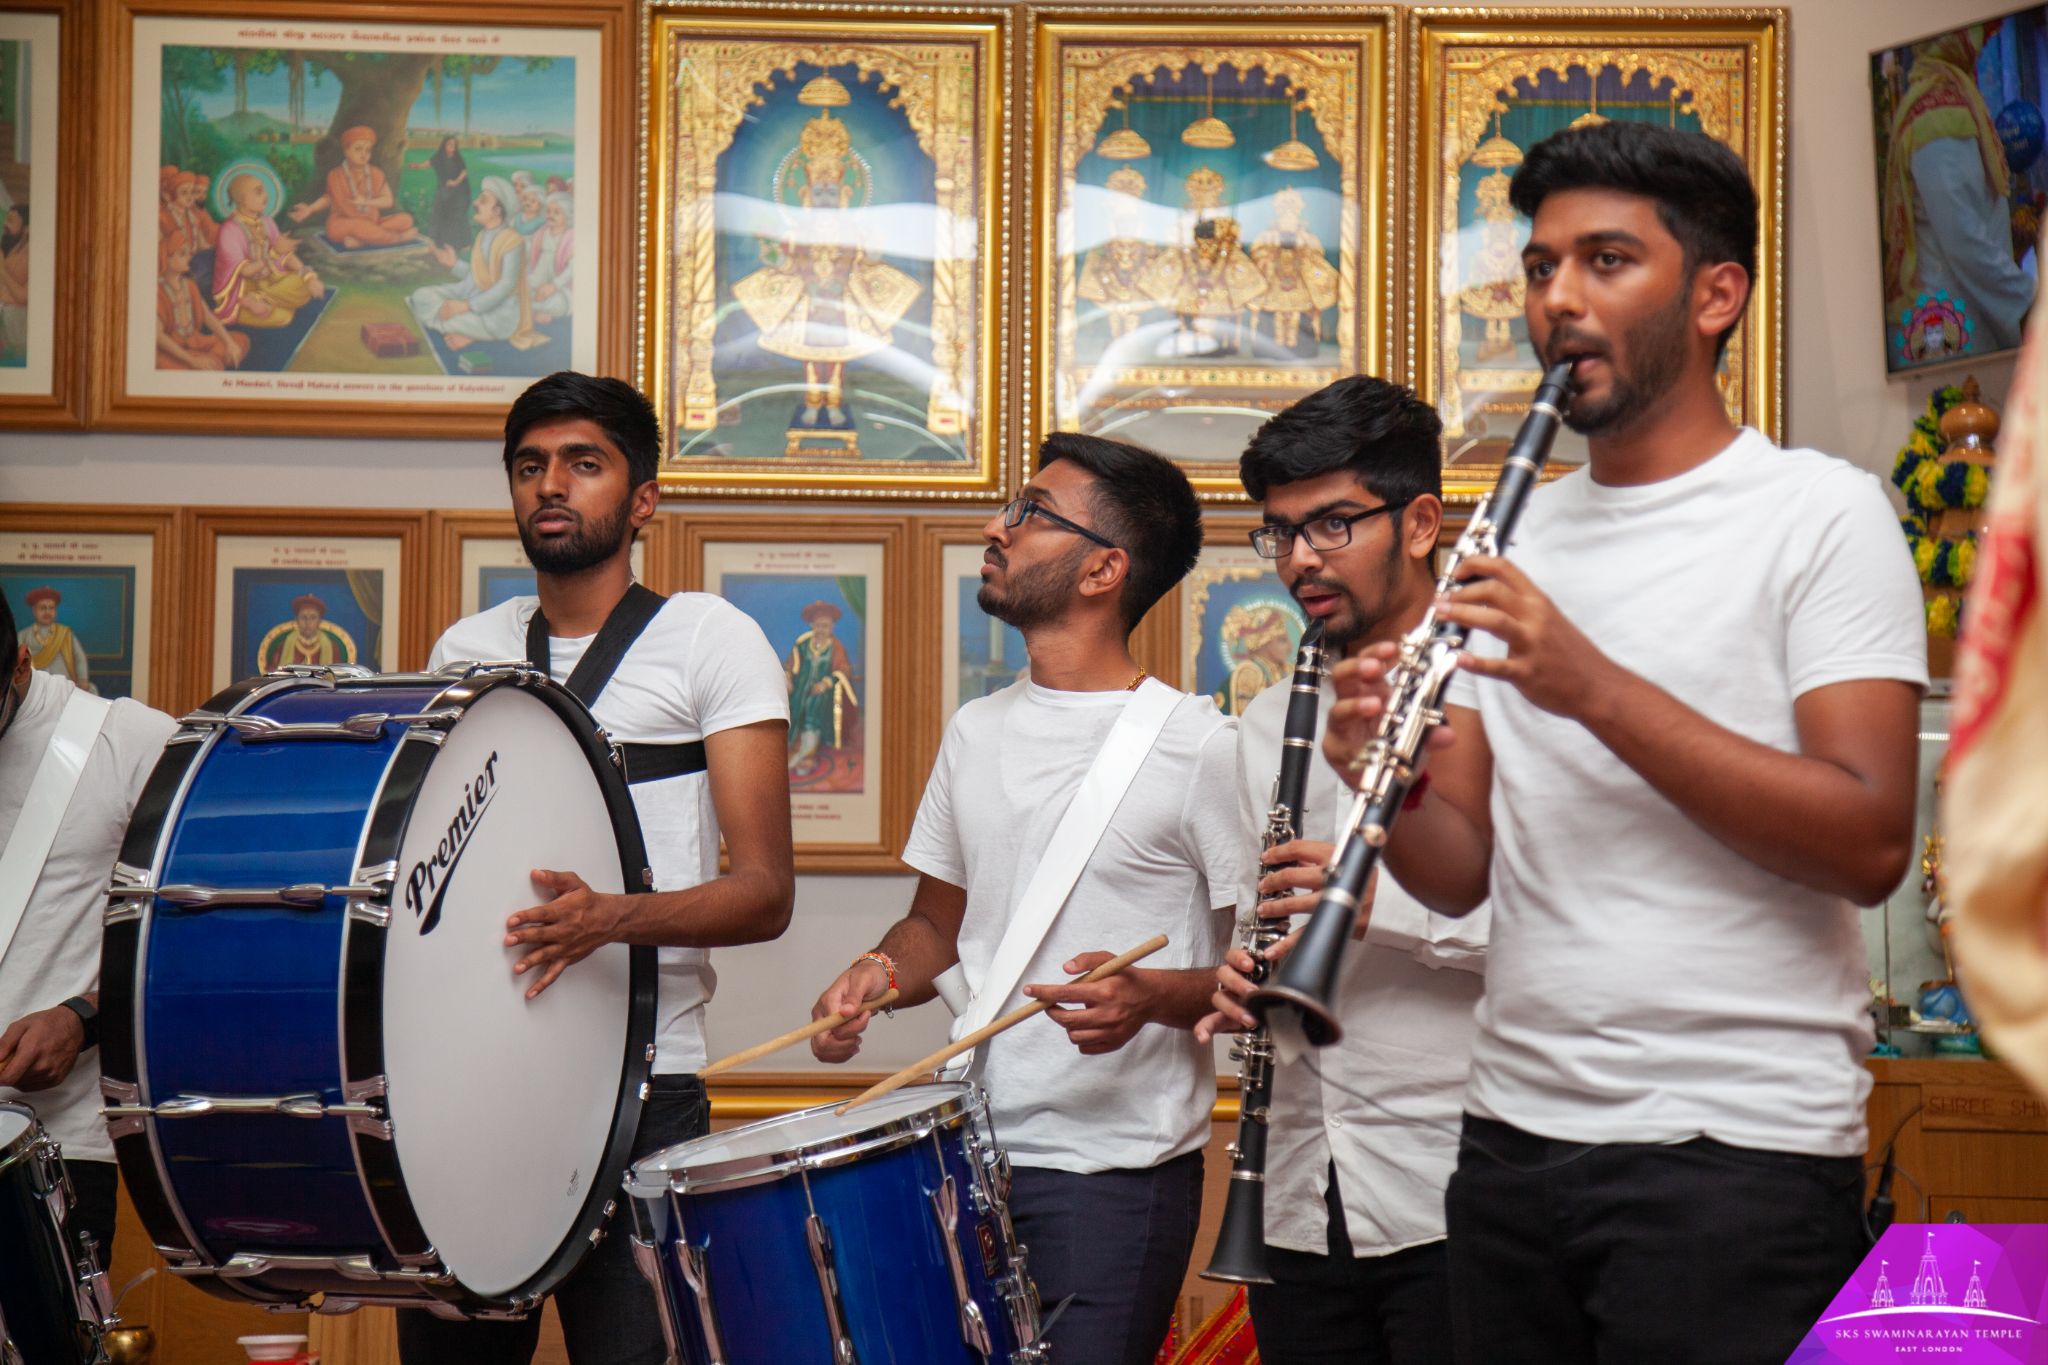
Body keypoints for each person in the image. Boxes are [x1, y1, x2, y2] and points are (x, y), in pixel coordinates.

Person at [1322, 122, 1926, 1364]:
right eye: (1540, 268)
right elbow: (1459, 870)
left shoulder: (1817, 515)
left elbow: (1867, 839)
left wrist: (1591, 686)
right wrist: (1385, 768)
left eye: (1605, 262)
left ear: (1715, 294)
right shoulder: (1515, 530)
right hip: (1504, 1143)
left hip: (1732, 1157)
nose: (1557, 301)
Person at [809, 433, 1243, 1365]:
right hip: (966, 1154)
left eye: (1028, 512)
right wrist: (876, 974)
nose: (994, 527)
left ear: (1104, 569)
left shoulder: (1199, 746)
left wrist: (1150, 997)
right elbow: (937, 924)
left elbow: (1266, 976)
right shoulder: (977, 729)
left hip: (1114, 1178)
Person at [400, 372, 795, 1365]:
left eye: (584, 464)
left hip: (647, 1088)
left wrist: (606, 920)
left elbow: (763, 894)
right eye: (529, 466)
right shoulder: (467, 649)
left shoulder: (711, 639)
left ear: (642, 498)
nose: (551, 486)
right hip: (471, 1084)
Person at [1197, 376, 1487, 1365]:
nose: (1297, 560)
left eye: (1328, 525)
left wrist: (1377, 908)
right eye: (1278, 533)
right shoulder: (1260, 720)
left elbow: (1571, 931)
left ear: (1418, 523)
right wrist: (1242, 977)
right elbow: (1257, 924)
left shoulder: (1503, 688)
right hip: (1292, 1184)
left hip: (1451, 1179)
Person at [0, 588, 178, 1261]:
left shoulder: (130, 740)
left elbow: (193, 940)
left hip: (49, 1150)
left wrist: (84, 1017)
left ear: (21, 666)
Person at [1881, 22, 2035, 353]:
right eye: (1977, 33)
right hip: (1953, 323)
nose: (1981, 41)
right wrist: (2029, 304)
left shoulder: (1942, 97)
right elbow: (1963, 238)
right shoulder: (1938, 113)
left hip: (1960, 310)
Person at [407, 176, 543, 352]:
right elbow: (476, 279)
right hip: (474, 298)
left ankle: (469, 333)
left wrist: (465, 306)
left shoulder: (512, 240)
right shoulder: (482, 236)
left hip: (500, 313)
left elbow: (506, 285)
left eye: (483, 200)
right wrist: (454, 264)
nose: (476, 203)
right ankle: (464, 328)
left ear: (497, 211)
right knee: (421, 295)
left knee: (450, 317)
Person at [213, 173, 325, 330]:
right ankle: (256, 301)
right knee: (284, 317)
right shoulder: (230, 230)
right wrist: (272, 254)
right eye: (258, 192)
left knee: (304, 287)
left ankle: (261, 299)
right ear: (241, 199)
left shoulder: (267, 221)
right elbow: (245, 271)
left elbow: (285, 255)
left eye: (264, 190)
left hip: (269, 282)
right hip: (243, 291)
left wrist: (309, 277)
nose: (265, 196)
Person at [288, 125, 420, 249]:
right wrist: (310, 209)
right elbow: (329, 198)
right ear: (346, 151)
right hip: (343, 223)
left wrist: (366, 202)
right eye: (358, 149)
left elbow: (388, 200)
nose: (364, 154)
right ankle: (399, 238)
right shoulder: (335, 175)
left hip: (372, 221)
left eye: (367, 150)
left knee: (406, 220)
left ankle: (362, 240)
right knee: (360, 226)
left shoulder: (376, 173)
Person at [155, 229, 248, 372]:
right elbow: (159, 337)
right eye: (182, 254)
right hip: (171, 350)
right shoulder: (158, 292)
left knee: (240, 340)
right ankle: (206, 363)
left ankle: (208, 362)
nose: (188, 258)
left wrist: (229, 343)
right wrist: (192, 360)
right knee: (172, 366)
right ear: (165, 259)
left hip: (196, 341)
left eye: (187, 253)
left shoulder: (189, 284)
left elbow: (207, 316)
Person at [784, 599, 857, 777]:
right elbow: (791, 666)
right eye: (818, 625)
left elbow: (844, 670)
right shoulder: (802, 643)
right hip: (801, 690)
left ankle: (808, 754)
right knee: (796, 707)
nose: (822, 629)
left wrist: (825, 683)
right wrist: (788, 679)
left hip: (825, 693)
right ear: (812, 625)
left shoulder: (836, 647)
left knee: (814, 707)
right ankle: (792, 751)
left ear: (832, 626)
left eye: (826, 626)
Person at [18, 586, 94, 691]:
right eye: (43, 608)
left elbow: (79, 658)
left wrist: (82, 679)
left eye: (51, 608)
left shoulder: (66, 634)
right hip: (34, 688)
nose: (47, 612)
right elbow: (15, 660)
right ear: (34, 610)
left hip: (64, 686)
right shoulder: (24, 635)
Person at [257, 593, 354, 671]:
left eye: (313, 617)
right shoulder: (283, 646)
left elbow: (338, 676)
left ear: (319, 621)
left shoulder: (333, 647)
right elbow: (272, 674)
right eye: (303, 617)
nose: (308, 622)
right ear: (297, 620)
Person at [407, 134, 472, 249]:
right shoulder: (439, 157)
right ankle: (437, 242)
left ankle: (465, 243)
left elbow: (464, 173)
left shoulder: (458, 158)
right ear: (444, 145)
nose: (452, 146)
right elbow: (428, 163)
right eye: (449, 144)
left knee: (458, 215)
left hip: (459, 192)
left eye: (454, 144)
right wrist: (417, 166)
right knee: (439, 214)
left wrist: (455, 182)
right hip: (443, 190)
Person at [526, 191, 574, 325]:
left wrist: (553, 286)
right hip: (539, 278)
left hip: (562, 285)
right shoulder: (541, 233)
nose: (550, 215)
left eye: (556, 212)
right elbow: (532, 258)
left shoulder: (571, 237)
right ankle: (533, 310)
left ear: (567, 215)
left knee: (559, 302)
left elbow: (572, 270)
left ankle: (531, 311)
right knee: (521, 289)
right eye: (548, 211)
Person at [0, 202, 26, 357]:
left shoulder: (28, 253)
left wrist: (2, 269)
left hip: (16, 322)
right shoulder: (8, 247)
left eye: (11, 220)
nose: (5, 224)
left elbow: (23, 296)